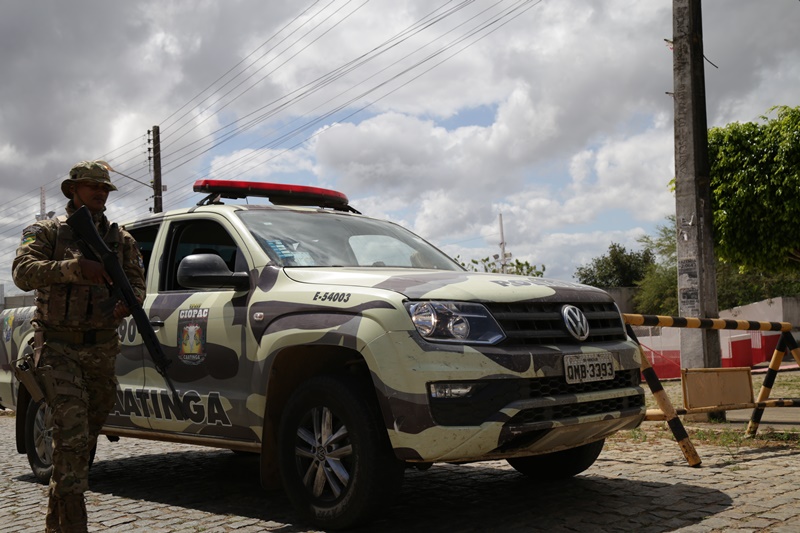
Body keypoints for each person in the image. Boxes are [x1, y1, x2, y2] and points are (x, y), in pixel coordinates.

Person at [12, 160, 146, 533]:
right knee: (70, 434)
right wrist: (74, 267)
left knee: (81, 443)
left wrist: (125, 303)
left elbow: (137, 285)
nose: (99, 192)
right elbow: (22, 271)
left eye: (103, 188)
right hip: (57, 346)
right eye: (90, 186)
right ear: (73, 190)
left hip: (101, 349)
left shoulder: (121, 240)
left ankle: (57, 522)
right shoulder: (48, 232)